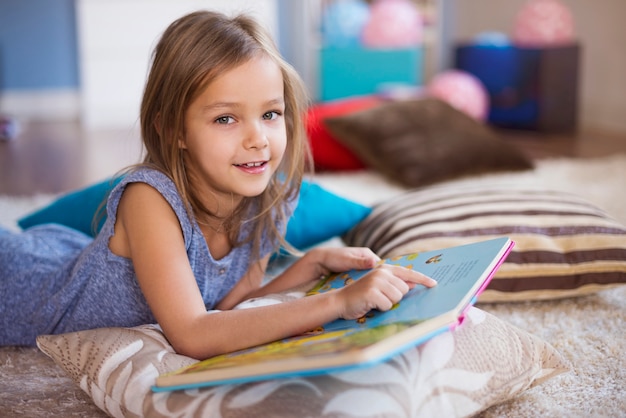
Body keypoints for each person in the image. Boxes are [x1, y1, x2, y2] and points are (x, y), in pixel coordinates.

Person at [0, 10, 436, 358]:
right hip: (20, 281)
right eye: (226, 118)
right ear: (174, 131)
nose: (257, 138)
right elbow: (194, 332)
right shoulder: (149, 199)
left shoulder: (267, 201)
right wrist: (336, 302)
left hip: (63, 255)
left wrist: (311, 266)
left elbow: (227, 309)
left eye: (270, 114)